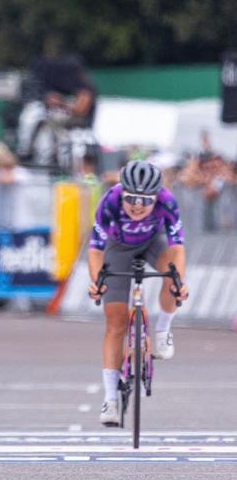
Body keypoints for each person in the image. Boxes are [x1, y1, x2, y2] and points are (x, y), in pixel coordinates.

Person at [87, 160, 189, 426]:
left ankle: (163, 330)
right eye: (131, 198)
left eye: (146, 200)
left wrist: (179, 282)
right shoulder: (109, 202)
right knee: (115, 323)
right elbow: (95, 249)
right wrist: (97, 282)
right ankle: (110, 399)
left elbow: (178, 247)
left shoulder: (168, 202)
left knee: (173, 278)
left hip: (154, 242)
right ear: (122, 193)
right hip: (118, 247)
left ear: (157, 197)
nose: (137, 205)